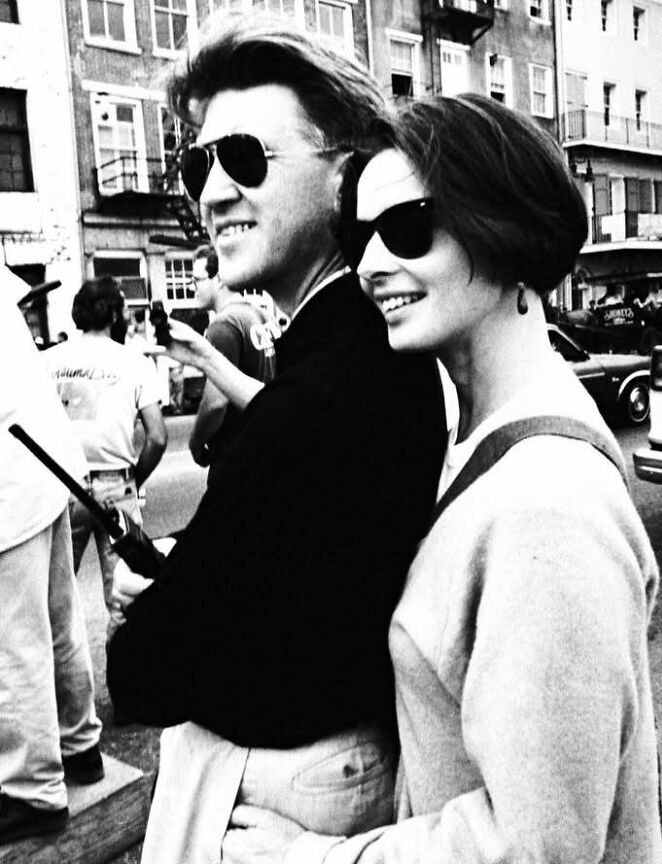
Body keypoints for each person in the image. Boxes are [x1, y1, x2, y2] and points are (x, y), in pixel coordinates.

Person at [228, 94, 662, 863]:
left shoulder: (545, 507)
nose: (370, 265)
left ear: (510, 233)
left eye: (408, 229)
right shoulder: (483, 428)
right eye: (361, 236)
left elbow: (541, 848)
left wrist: (308, 858)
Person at [105, 14, 447, 864]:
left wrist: (149, 610)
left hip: (283, 786)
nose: (212, 190)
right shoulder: (370, 347)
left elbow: (147, 671)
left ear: (347, 175)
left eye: (248, 159)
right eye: (198, 163)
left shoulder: (321, 394)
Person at [0, 267, 103, 845]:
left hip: (7, 478)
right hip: (40, 460)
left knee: (13, 644)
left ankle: (31, 789)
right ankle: (80, 746)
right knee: (59, 621)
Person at [44, 276, 167, 625]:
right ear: (115, 315)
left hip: (62, 485)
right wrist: (133, 482)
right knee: (126, 598)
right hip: (117, 489)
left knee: (56, 601)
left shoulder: (48, 362)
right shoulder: (135, 362)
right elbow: (157, 437)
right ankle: (124, 675)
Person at [188, 243, 276, 477]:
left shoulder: (223, 325)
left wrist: (195, 443)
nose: (192, 287)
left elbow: (216, 403)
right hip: (266, 445)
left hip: (235, 454)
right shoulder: (261, 315)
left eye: (196, 279)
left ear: (218, 279)